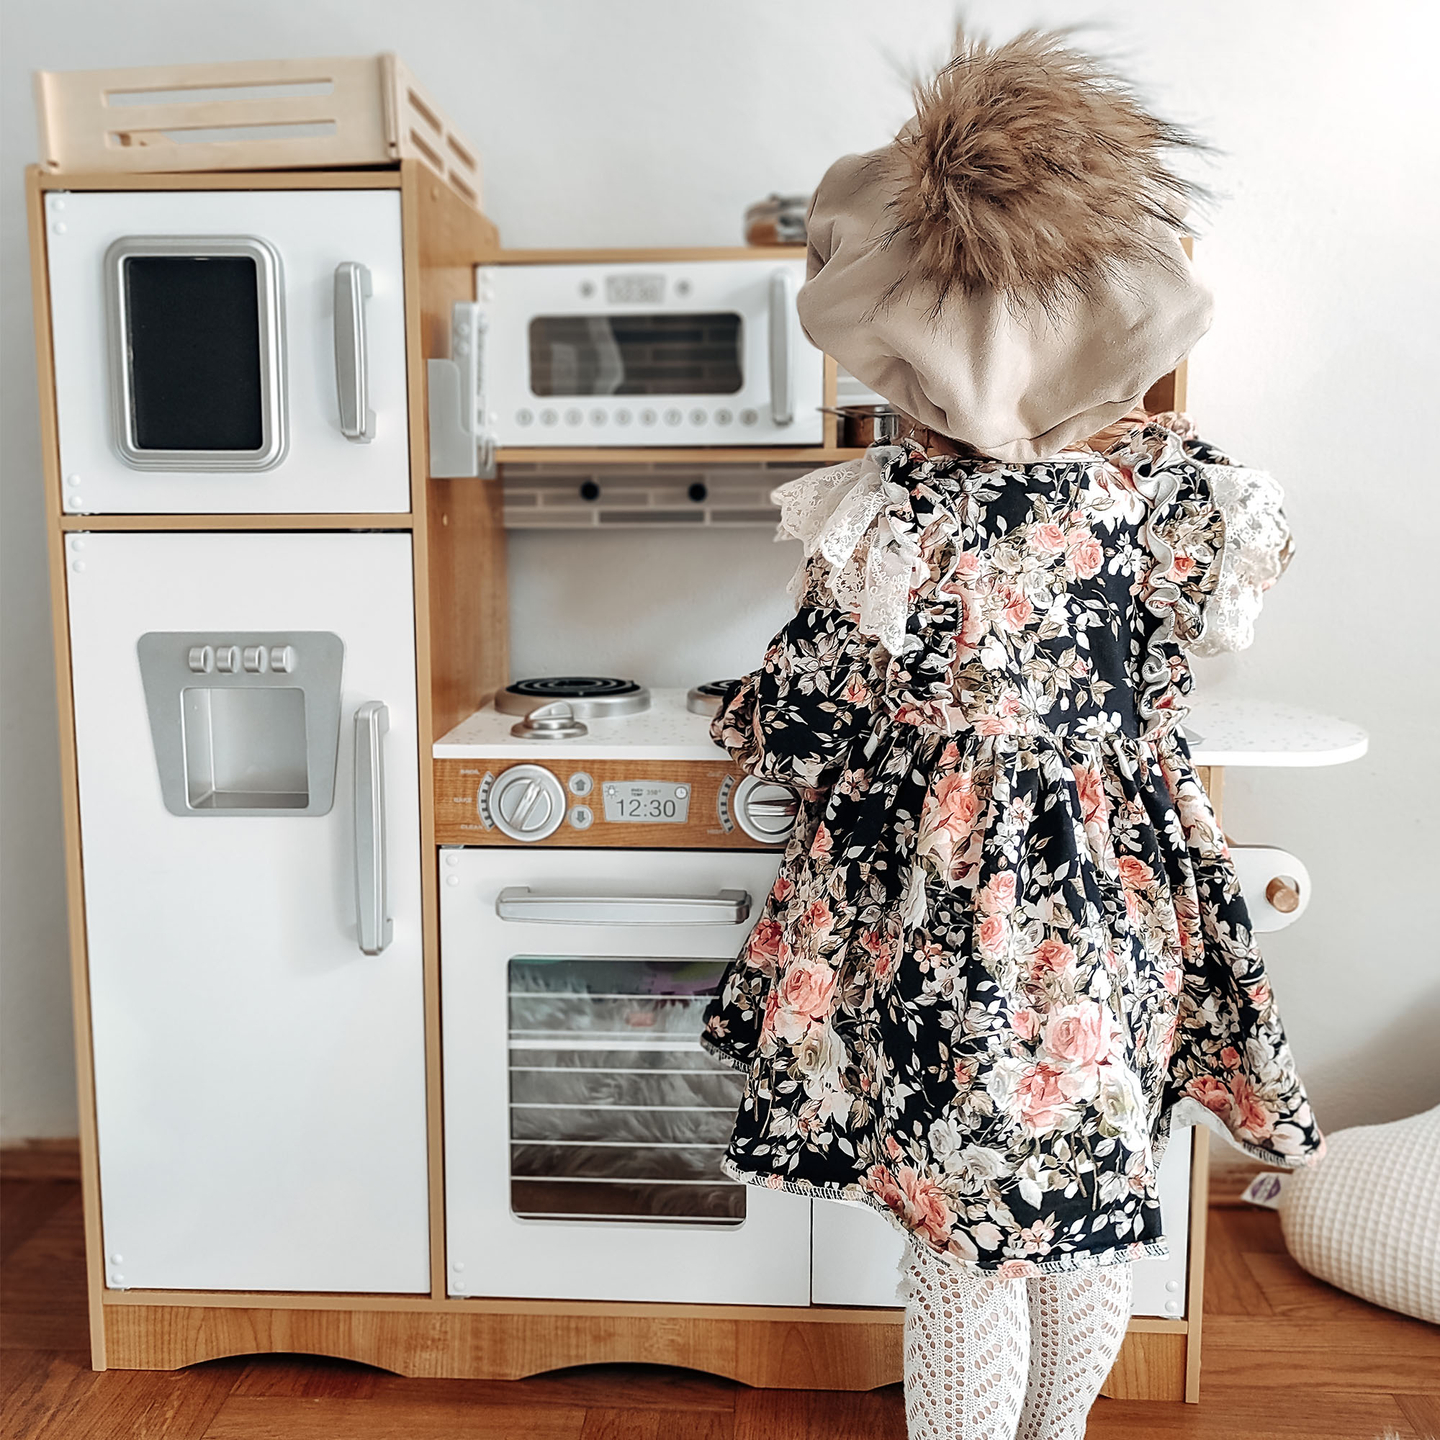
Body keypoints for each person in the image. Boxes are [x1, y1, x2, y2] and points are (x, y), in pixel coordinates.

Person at [699, 28, 1322, 1440]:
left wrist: (768, 717)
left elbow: (802, 713)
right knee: (1091, 1204)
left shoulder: (884, 516)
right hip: (1114, 900)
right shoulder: (1187, 497)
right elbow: (1202, 644)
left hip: (935, 914)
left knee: (958, 1232)